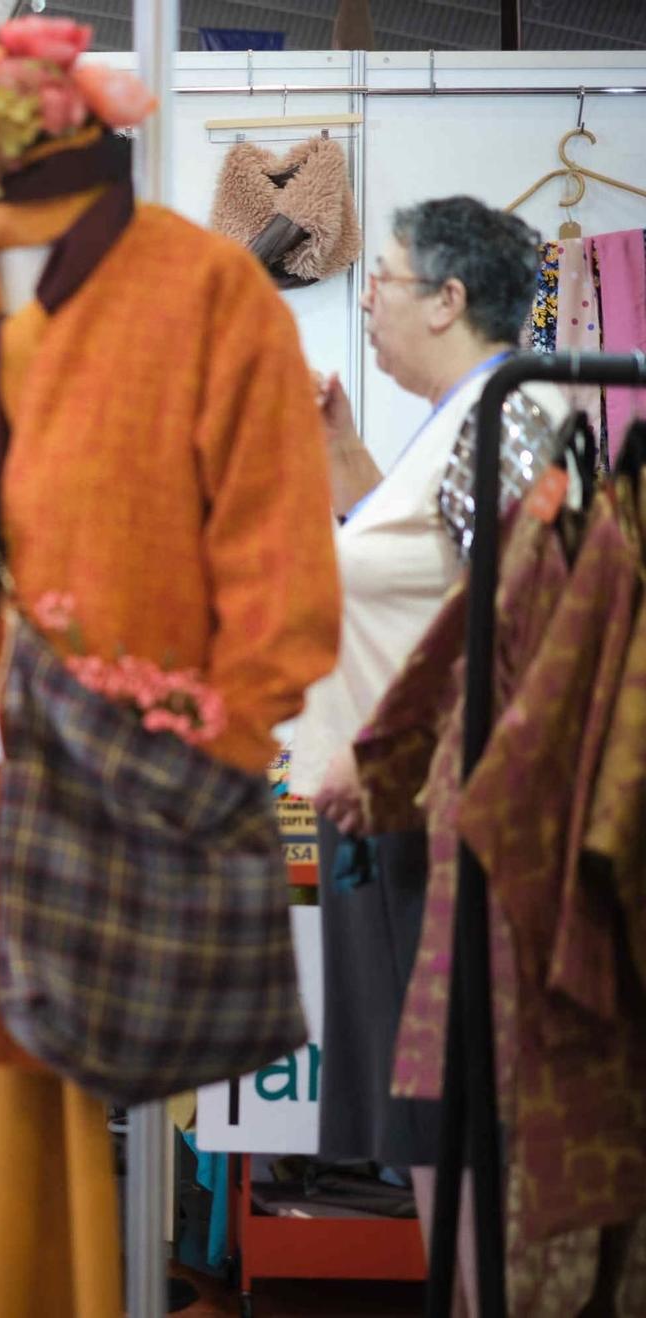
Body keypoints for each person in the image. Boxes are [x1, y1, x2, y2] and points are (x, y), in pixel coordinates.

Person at [0, 29, 340, 1315]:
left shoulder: (200, 296)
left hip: (74, 798)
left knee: (18, 1138)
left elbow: (280, 606)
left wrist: (178, 766)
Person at [295, 197, 560, 1308]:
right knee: (430, 1151)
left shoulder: (513, 415)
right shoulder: (455, 422)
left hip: (434, 826)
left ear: (449, 299)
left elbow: (521, 618)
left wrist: (387, 754)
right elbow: (430, 574)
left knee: (463, 1151)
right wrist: (344, 456)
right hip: (389, 822)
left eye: (383, 278)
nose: (365, 297)